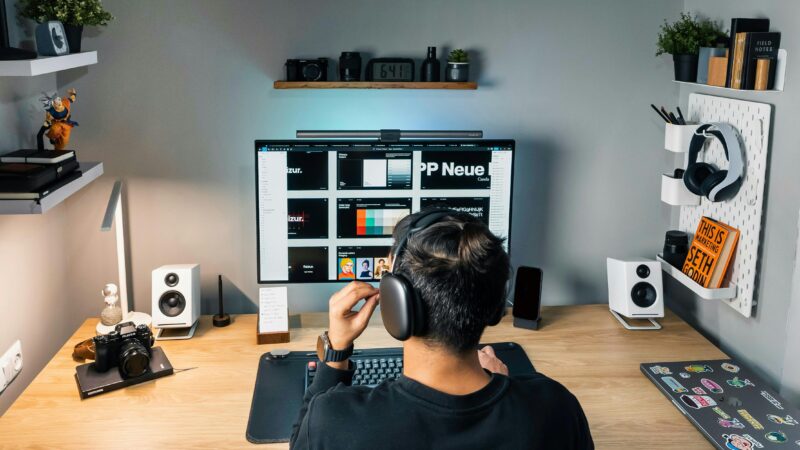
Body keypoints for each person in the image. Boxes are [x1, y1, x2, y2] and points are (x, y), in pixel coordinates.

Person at [291, 210, 593, 449]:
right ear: (496, 307)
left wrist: (337, 350)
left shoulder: (333, 420)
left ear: (398, 303)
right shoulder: (556, 408)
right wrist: (507, 395)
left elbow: (301, 442)